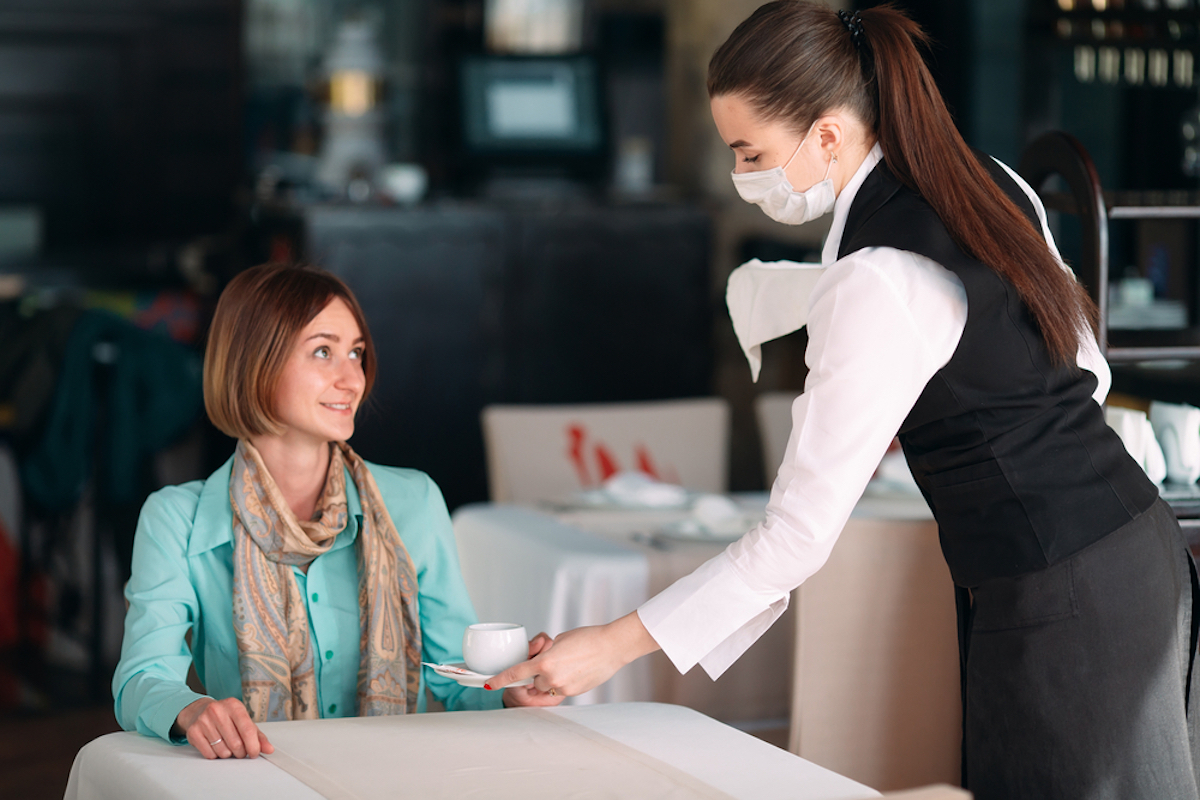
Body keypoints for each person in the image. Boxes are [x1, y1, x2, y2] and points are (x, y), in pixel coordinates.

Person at [488, 3, 1200, 797]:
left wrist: (611, 646)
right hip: (1138, 547)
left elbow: (793, 540)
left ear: (826, 135)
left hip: (1061, 592)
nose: (741, 176)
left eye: (750, 152)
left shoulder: (875, 275)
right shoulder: (990, 183)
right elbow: (1087, 370)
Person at [113, 263, 559, 760]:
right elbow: (141, 678)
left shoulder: (414, 501)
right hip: (261, 784)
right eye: (323, 351)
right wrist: (191, 709)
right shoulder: (177, 520)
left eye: (357, 353)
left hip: (396, 780)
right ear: (253, 361)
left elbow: (455, 677)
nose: (352, 379)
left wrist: (509, 689)